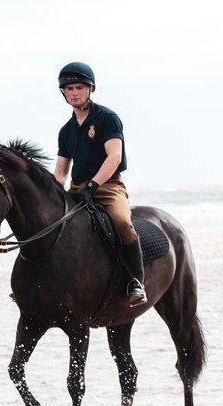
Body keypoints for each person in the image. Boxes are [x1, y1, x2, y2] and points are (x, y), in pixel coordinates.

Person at [53, 61, 146, 306]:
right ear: (63, 93)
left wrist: (93, 186)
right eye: (69, 88)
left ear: (90, 89)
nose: (74, 92)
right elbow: (61, 170)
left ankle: (136, 281)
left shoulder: (107, 118)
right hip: (77, 189)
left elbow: (114, 157)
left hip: (107, 188)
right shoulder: (66, 131)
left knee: (122, 222)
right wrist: (53, 192)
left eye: (80, 88)